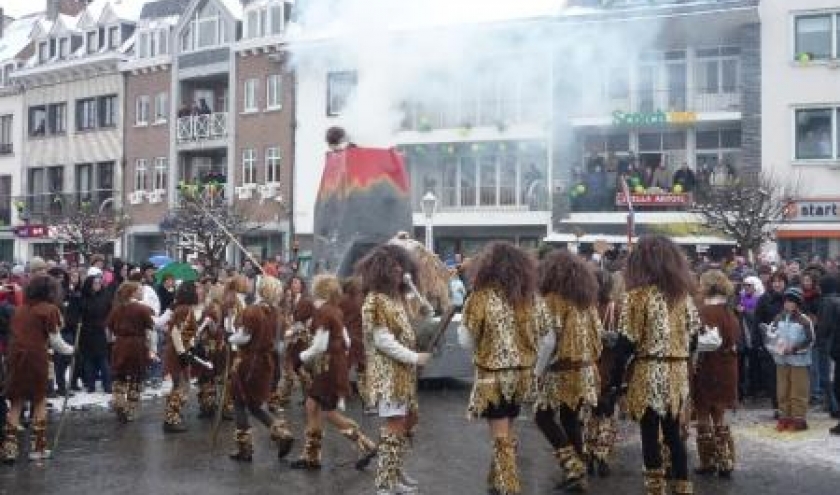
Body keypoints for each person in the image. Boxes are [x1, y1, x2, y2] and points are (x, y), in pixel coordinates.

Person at [613, 236, 701, 495]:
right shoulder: (683, 297)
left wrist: (616, 382)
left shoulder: (636, 297)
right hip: (676, 374)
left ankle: (655, 489)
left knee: (650, 433)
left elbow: (625, 343)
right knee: (674, 433)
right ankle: (683, 487)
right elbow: (694, 338)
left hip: (648, 372)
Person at [458, 242, 544, 495]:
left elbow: (465, 339)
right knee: (508, 428)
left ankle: (509, 487)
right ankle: (495, 481)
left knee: (500, 434)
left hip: (492, 377)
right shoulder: (531, 298)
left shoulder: (480, 296)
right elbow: (545, 332)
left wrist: (483, 348)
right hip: (522, 375)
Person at [358, 244, 431, 495]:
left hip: (402, 374)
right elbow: (383, 341)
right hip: (388, 375)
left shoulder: (396, 299)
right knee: (395, 425)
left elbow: (408, 331)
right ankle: (385, 482)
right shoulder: (375, 300)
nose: (400, 271)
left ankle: (395, 473)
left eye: (401, 266)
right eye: (395, 267)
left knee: (407, 422)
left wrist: (425, 315)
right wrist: (414, 357)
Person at [291, 274, 377, 470]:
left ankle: (365, 444)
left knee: (328, 412)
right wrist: (338, 356)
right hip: (332, 365)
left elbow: (320, 345)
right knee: (312, 405)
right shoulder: (335, 311)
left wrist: (301, 357)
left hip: (327, 367)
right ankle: (311, 455)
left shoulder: (324, 312)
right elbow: (345, 340)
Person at [533, 250, 602, 493]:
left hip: (561, 371)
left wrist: (537, 372)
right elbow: (598, 338)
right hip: (584, 369)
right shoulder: (586, 302)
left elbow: (548, 342)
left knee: (542, 416)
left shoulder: (550, 300)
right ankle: (577, 473)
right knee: (570, 420)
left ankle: (574, 467)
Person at [1, 275, 74, 463]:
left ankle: (9, 449)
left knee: (16, 401)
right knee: (39, 399)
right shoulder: (50, 310)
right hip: (36, 358)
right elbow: (56, 342)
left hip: (15, 357)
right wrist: (72, 350)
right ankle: (38, 448)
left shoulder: (20, 310)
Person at [228, 276, 294, 462]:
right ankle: (282, 433)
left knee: (240, 401)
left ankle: (244, 449)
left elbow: (244, 338)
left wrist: (230, 338)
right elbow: (283, 336)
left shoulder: (253, 311)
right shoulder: (277, 314)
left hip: (250, 363)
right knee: (254, 405)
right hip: (266, 364)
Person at [693, 270, 740, 478]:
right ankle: (726, 460)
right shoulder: (729, 312)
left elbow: (699, 342)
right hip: (728, 366)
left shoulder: (705, 312)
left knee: (703, 412)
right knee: (719, 413)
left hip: (708, 366)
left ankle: (708, 461)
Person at [586, 269, 623, 478]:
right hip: (609, 367)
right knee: (607, 413)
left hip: (589, 367)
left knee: (590, 412)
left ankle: (589, 452)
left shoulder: (584, 309)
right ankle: (602, 454)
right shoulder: (615, 309)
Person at [765, 287, 815, 431]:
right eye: (786, 301)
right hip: (781, 360)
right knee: (782, 390)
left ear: (798, 303)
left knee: (798, 391)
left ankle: (798, 419)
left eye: (792, 302)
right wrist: (774, 347)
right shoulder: (778, 318)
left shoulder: (804, 320)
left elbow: (811, 340)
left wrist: (794, 349)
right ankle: (784, 417)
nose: (788, 304)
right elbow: (771, 336)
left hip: (799, 361)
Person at [107, 282, 155, 423]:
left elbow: (109, 329)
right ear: (132, 293)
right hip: (137, 345)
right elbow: (149, 330)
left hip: (120, 344)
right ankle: (130, 409)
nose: (142, 292)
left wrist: (113, 342)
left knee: (119, 375)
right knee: (136, 377)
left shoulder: (117, 309)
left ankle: (119, 402)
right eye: (139, 290)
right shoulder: (142, 309)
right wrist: (151, 348)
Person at [162, 281, 203, 433]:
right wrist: (182, 352)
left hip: (182, 350)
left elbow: (187, 332)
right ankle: (171, 419)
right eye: (196, 288)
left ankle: (172, 416)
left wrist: (191, 346)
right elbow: (175, 332)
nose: (200, 291)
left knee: (181, 384)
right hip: (177, 352)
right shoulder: (184, 309)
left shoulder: (186, 309)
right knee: (181, 385)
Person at [277, 275, 315, 408]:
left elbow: (305, 321)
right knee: (291, 366)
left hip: (301, 338)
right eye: (292, 283)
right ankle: (286, 397)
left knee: (296, 366)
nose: (294, 285)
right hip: (291, 338)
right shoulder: (288, 299)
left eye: (297, 283)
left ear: (302, 285)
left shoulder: (306, 301)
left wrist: (294, 326)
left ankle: (308, 396)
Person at [755, 272, 787, 414]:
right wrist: (760, 344)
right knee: (773, 377)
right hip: (770, 344)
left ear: (785, 283)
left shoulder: (790, 298)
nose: (777, 284)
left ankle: (787, 405)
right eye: (775, 281)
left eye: (780, 281)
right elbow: (758, 322)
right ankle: (777, 406)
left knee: (786, 376)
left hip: (788, 343)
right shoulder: (764, 299)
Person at [339, 277, 372, 411]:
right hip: (359, 338)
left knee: (344, 368)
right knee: (362, 369)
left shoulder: (342, 300)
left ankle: (341, 395)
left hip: (347, 338)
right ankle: (367, 400)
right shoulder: (363, 300)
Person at [79, 267, 113, 393]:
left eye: (99, 283)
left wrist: (106, 324)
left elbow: (109, 311)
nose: (98, 285)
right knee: (89, 360)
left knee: (103, 359)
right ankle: (90, 384)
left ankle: (107, 385)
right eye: (95, 283)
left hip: (99, 331)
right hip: (87, 332)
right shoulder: (84, 298)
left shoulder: (104, 296)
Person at [819, 272, 840, 433]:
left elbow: (825, 327)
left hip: (832, 347)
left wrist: (819, 339)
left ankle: (835, 409)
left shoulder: (827, 302)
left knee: (833, 381)